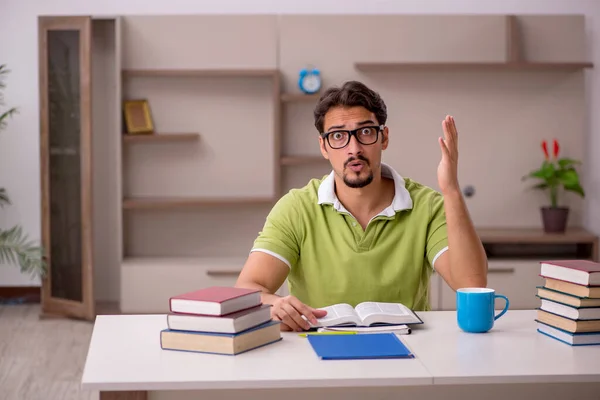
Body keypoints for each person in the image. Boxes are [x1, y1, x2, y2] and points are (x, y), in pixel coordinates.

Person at [235, 80, 488, 331]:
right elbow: (249, 288)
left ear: (383, 137)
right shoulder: (296, 208)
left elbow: (472, 285)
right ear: (324, 146)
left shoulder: (427, 206)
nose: (353, 149)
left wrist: (451, 190)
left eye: (365, 132)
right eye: (338, 136)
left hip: (409, 353)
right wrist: (275, 304)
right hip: (315, 352)